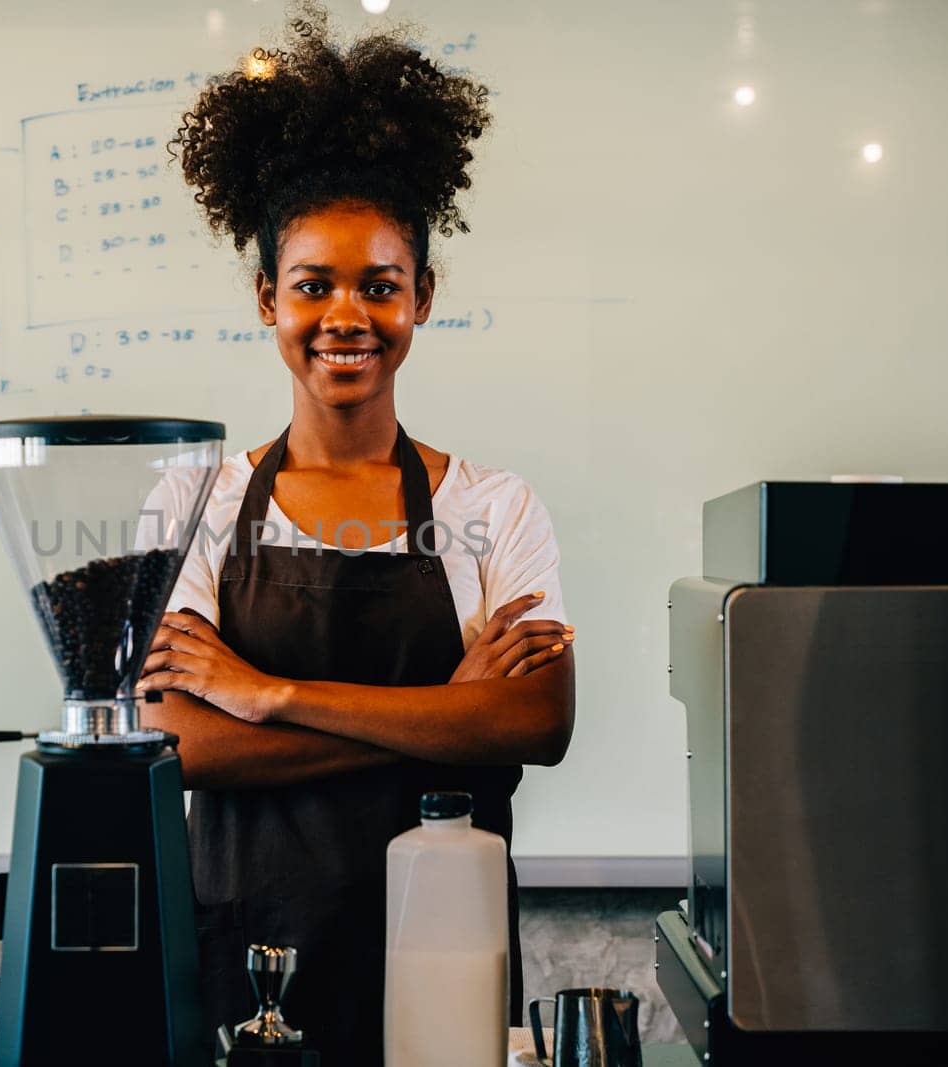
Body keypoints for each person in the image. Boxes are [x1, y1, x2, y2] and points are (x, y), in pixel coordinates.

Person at [137, 9, 575, 1062]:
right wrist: (442, 714)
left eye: (379, 284)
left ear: (421, 296)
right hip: (248, 953)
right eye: (312, 284)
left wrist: (269, 693)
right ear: (265, 299)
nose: (346, 313)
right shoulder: (191, 497)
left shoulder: (493, 504)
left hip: (446, 950)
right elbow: (179, 744)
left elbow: (536, 719)